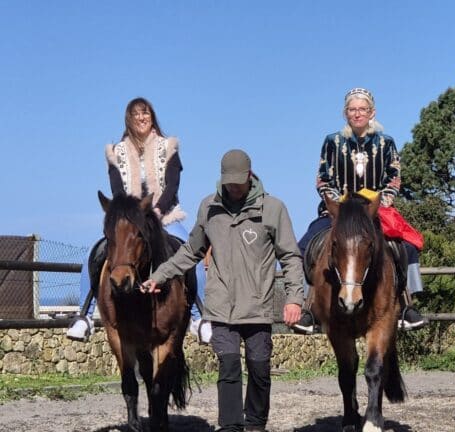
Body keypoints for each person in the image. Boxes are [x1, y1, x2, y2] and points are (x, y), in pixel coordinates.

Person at [143, 149, 303, 432]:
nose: (233, 187)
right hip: (221, 306)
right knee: (228, 367)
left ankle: (255, 424)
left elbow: (290, 256)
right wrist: (160, 275)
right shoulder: (209, 207)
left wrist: (294, 299)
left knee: (259, 369)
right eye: (229, 181)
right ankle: (231, 427)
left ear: (250, 176)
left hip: (257, 305)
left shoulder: (273, 209)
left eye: (238, 182)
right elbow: (191, 251)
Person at [66, 97, 210, 343]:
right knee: (93, 252)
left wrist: (156, 210)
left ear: (152, 117)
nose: (142, 118)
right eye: (136, 114)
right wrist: (132, 214)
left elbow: (173, 183)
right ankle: (84, 315)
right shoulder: (117, 152)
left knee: (191, 255)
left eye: (146, 113)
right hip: (129, 220)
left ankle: (200, 317)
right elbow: (117, 189)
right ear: (129, 119)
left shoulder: (168, 147)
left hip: (164, 216)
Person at [291, 87, 427, 334]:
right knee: (304, 247)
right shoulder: (332, 141)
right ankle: (308, 308)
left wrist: (381, 201)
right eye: (352, 109)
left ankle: (408, 305)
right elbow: (323, 178)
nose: (357, 114)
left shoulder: (386, 143)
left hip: (375, 212)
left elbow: (394, 178)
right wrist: (336, 205)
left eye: (362, 109)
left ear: (372, 112)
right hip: (338, 213)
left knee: (405, 246)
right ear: (345, 113)